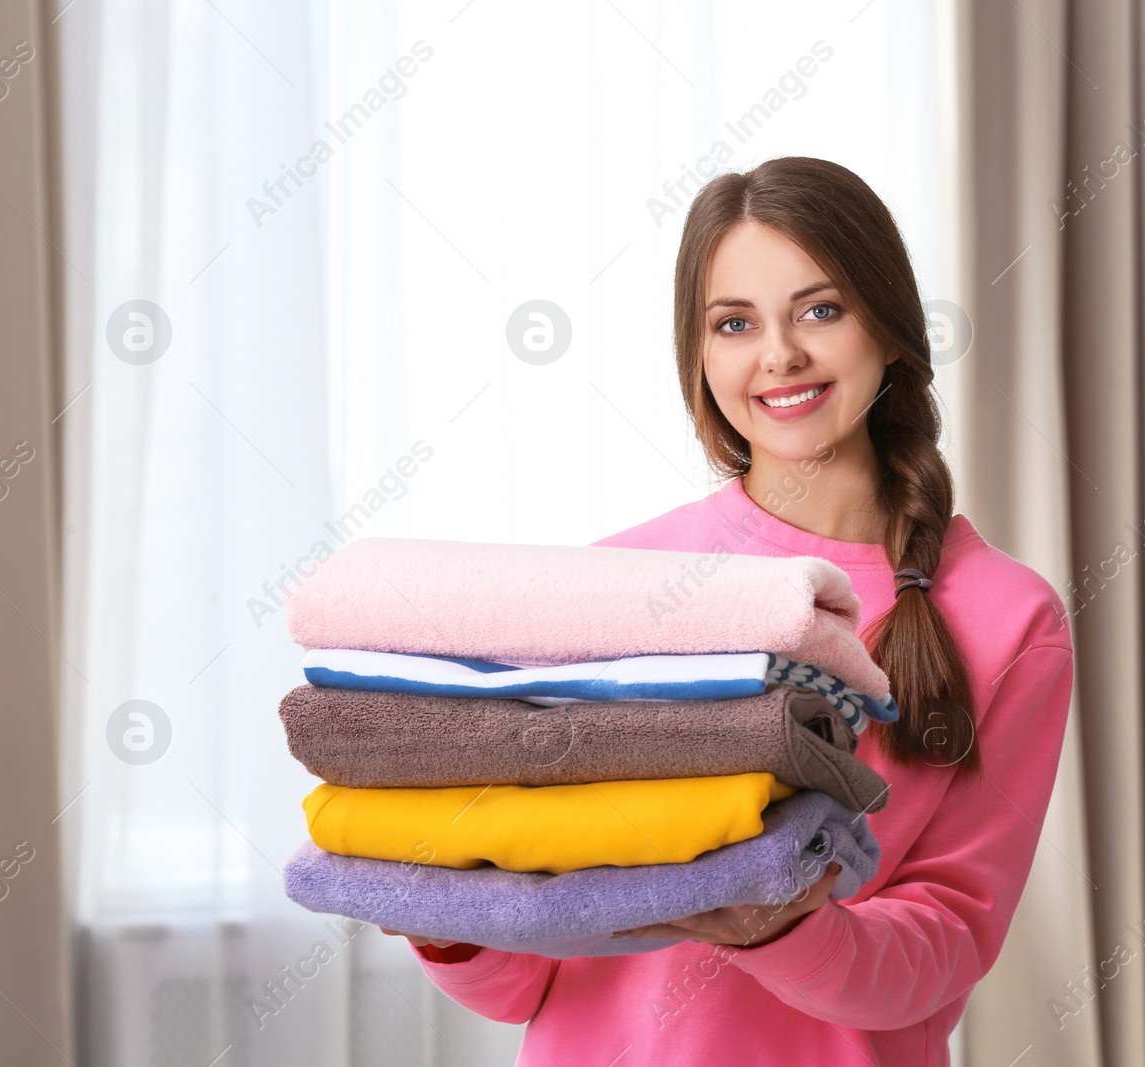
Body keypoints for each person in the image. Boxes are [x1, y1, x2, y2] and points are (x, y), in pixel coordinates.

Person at [382, 155, 1074, 1065]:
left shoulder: (1008, 618)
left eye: (819, 310)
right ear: (700, 356)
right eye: (735, 323)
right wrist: (443, 912)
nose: (779, 354)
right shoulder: (612, 584)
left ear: (890, 327)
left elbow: (942, 949)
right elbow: (527, 975)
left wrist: (777, 925)